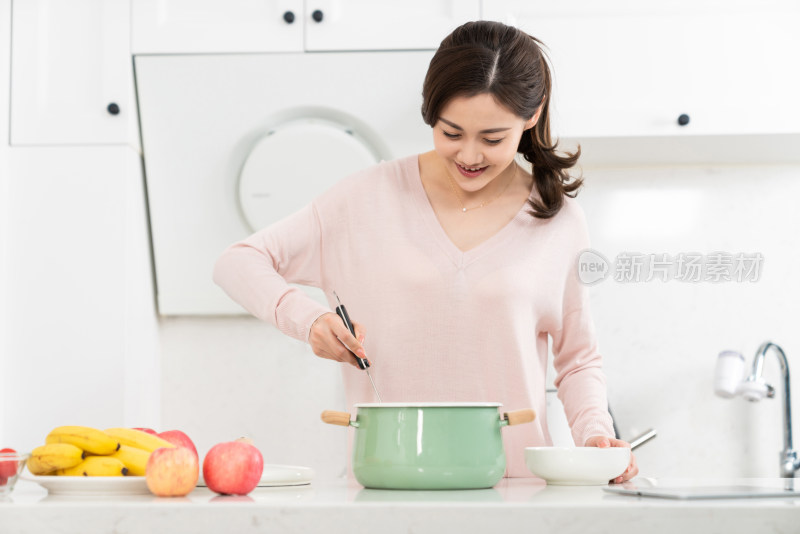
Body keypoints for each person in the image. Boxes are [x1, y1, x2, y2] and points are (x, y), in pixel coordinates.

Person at [213, 20, 637, 481]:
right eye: (451, 132)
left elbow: (577, 360)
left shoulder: (558, 220)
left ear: (531, 116)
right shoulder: (365, 197)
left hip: (513, 491)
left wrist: (595, 434)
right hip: (386, 483)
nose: (469, 156)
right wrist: (308, 319)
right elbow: (237, 262)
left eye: (492, 138)